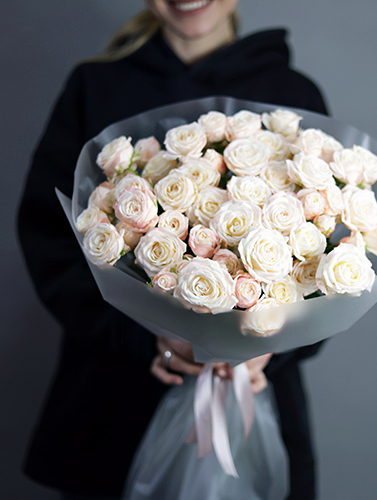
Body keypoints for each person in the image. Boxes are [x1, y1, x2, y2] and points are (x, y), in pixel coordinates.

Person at [18, 1, 328, 499]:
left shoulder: (292, 95)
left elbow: (327, 256)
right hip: (110, 400)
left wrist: (269, 349)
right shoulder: (96, 86)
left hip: (253, 398)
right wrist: (145, 339)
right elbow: (49, 238)